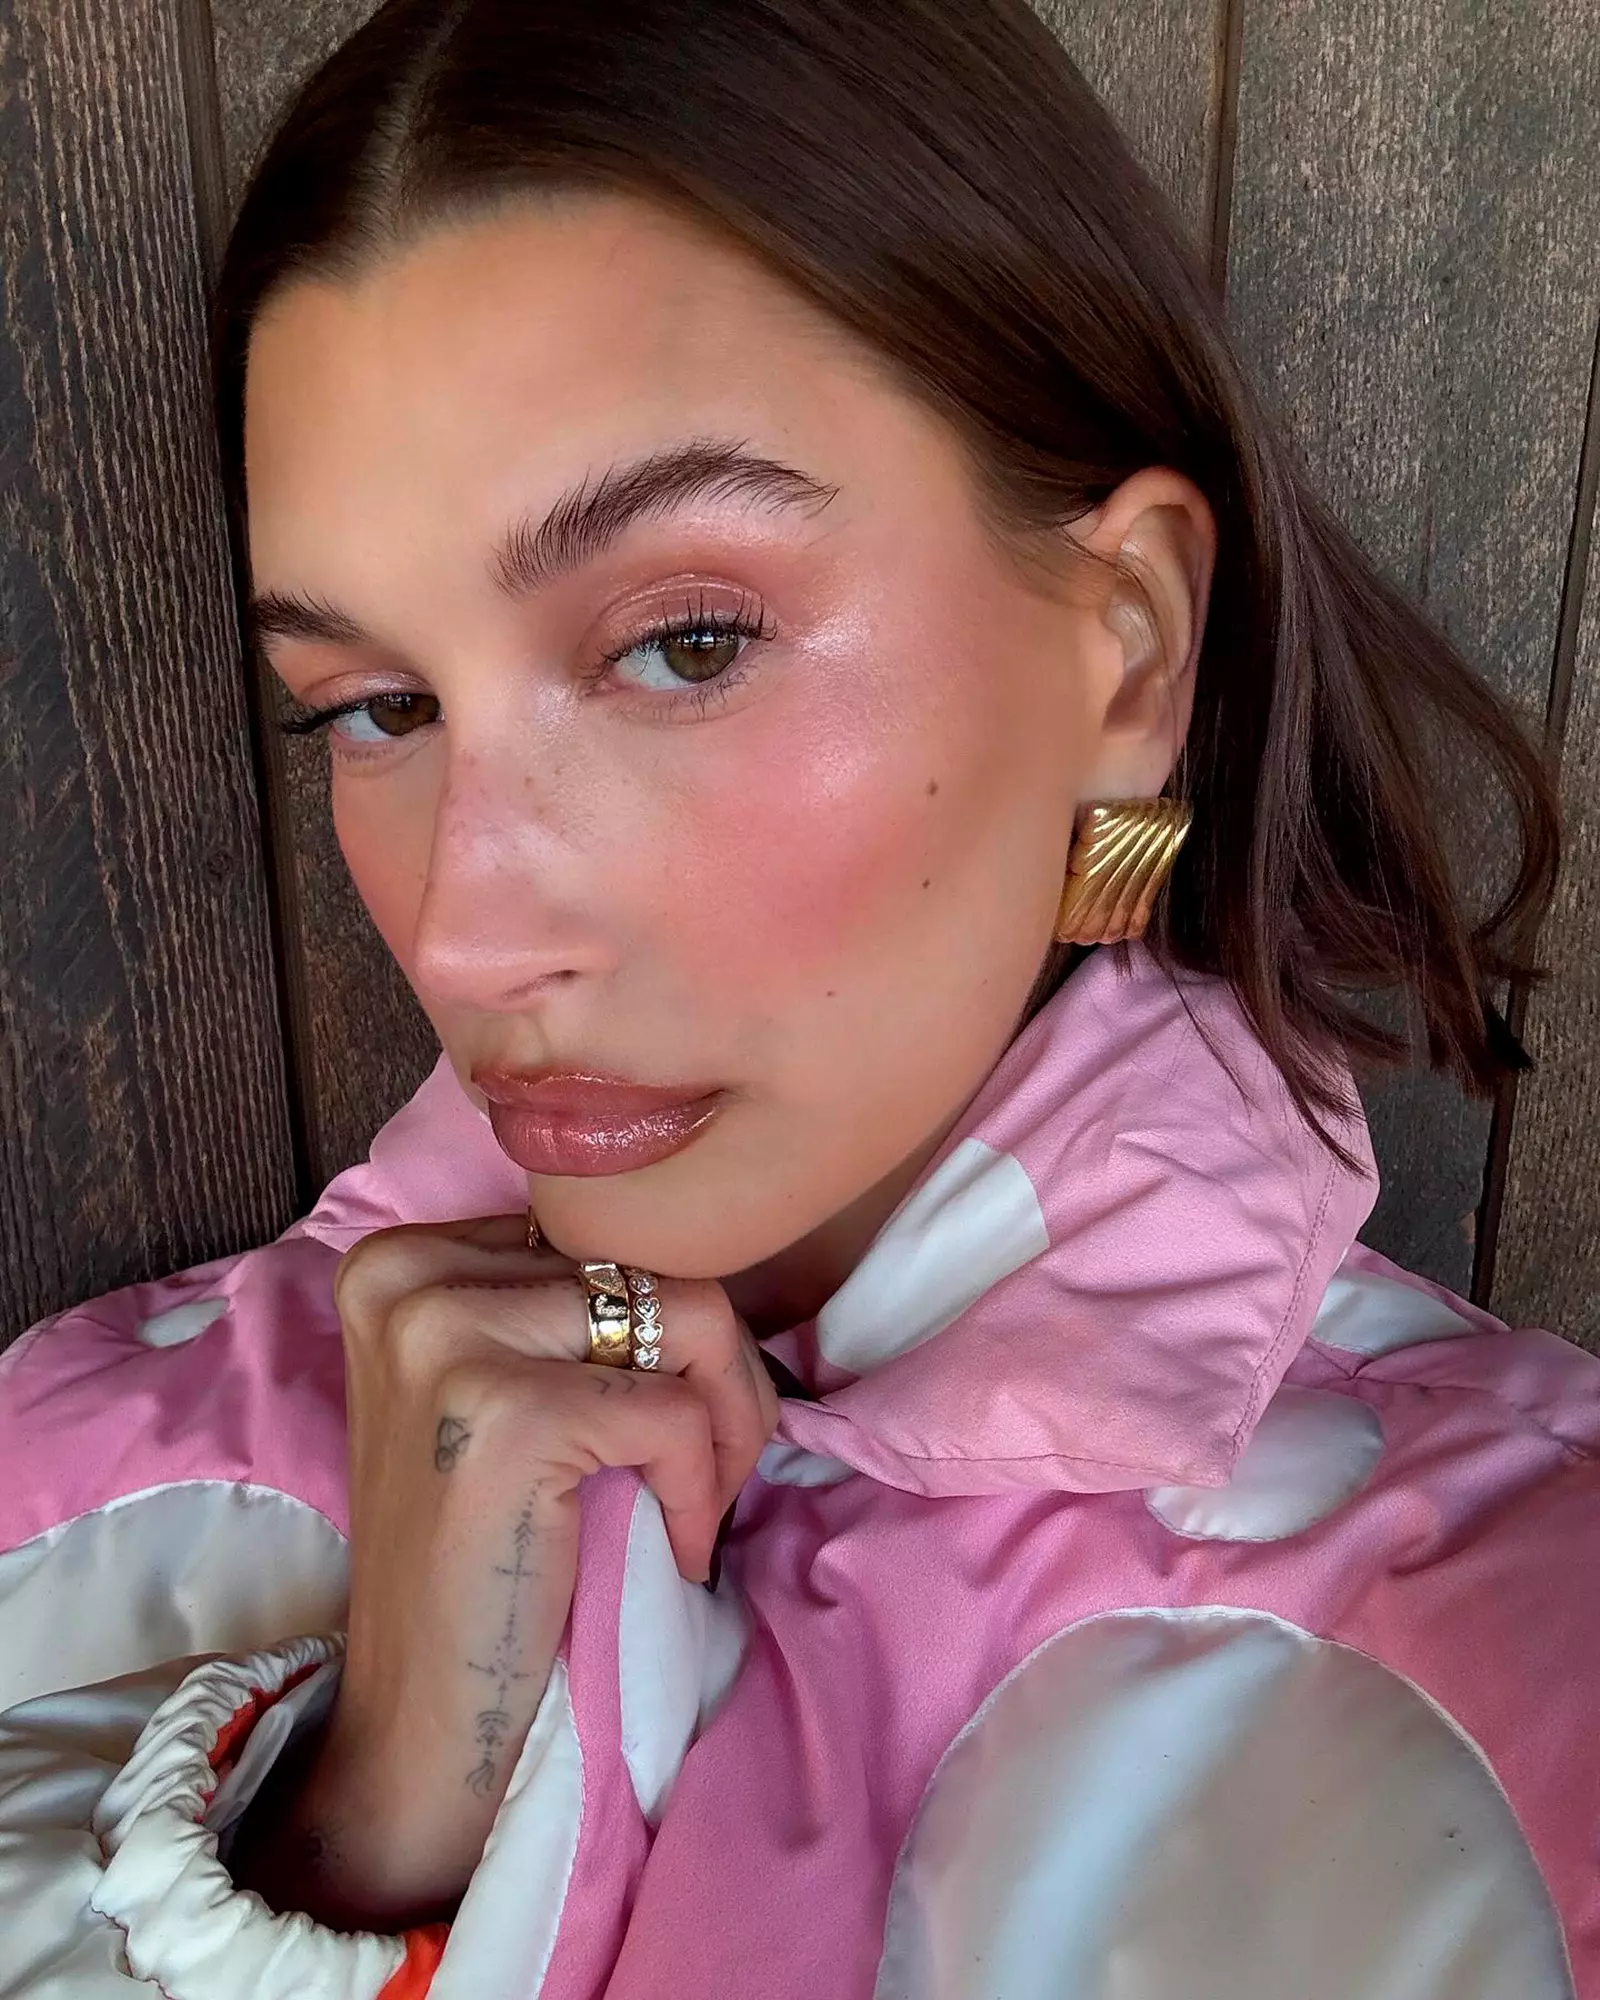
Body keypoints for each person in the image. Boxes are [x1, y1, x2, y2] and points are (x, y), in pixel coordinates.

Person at [0, 0, 1594, 1992]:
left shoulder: (1514, 1638)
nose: (464, 936)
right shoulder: (83, 1457)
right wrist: (355, 1822)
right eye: (375, 707)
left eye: (683, 645)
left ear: (1123, 650)